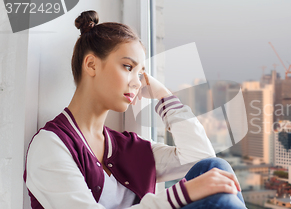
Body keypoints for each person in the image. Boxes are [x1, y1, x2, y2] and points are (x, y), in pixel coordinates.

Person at [23, 10, 246, 209]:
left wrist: (164, 95)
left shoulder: (127, 147)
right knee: (222, 200)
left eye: (141, 74)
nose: (137, 82)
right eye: (128, 67)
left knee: (216, 165)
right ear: (91, 64)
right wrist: (179, 195)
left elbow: (200, 157)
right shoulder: (50, 145)